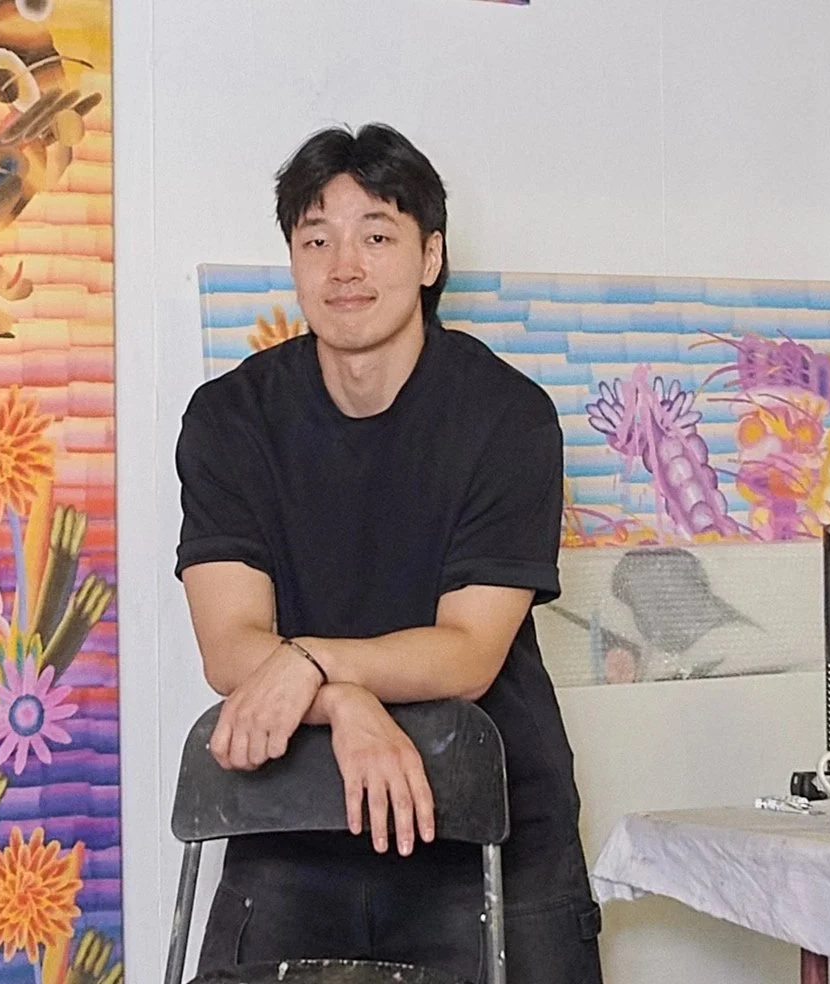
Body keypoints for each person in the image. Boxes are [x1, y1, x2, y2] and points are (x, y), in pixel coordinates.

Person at [174, 122, 603, 984]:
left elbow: (468, 654)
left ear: (429, 256)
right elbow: (231, 648)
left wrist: (305, 666)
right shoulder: (229, 419)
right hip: (291, 827)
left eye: (377, 235)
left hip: (492, 830)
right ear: (293, 258)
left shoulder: (506, 418)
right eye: (316, 238)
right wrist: (351, 706)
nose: (344, 266)